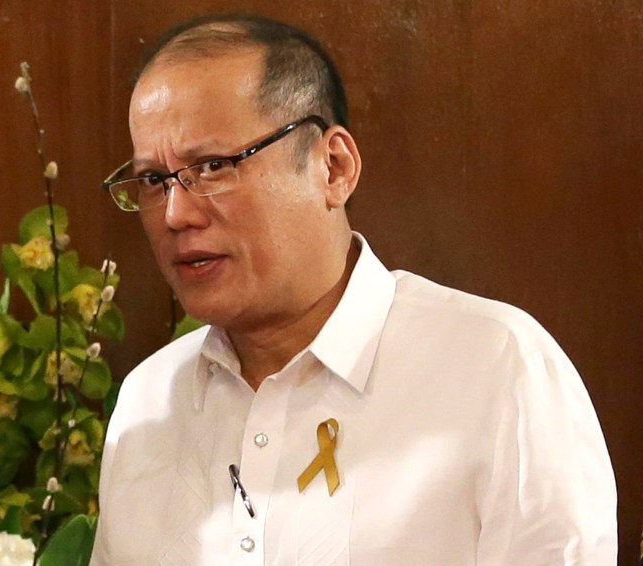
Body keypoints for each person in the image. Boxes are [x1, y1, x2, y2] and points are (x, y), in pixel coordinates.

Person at [91, 13, 616, 565]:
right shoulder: (149, 401)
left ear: (334, 167)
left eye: (214, 165)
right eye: (153, 180)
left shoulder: (494, 367)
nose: (175, 214)